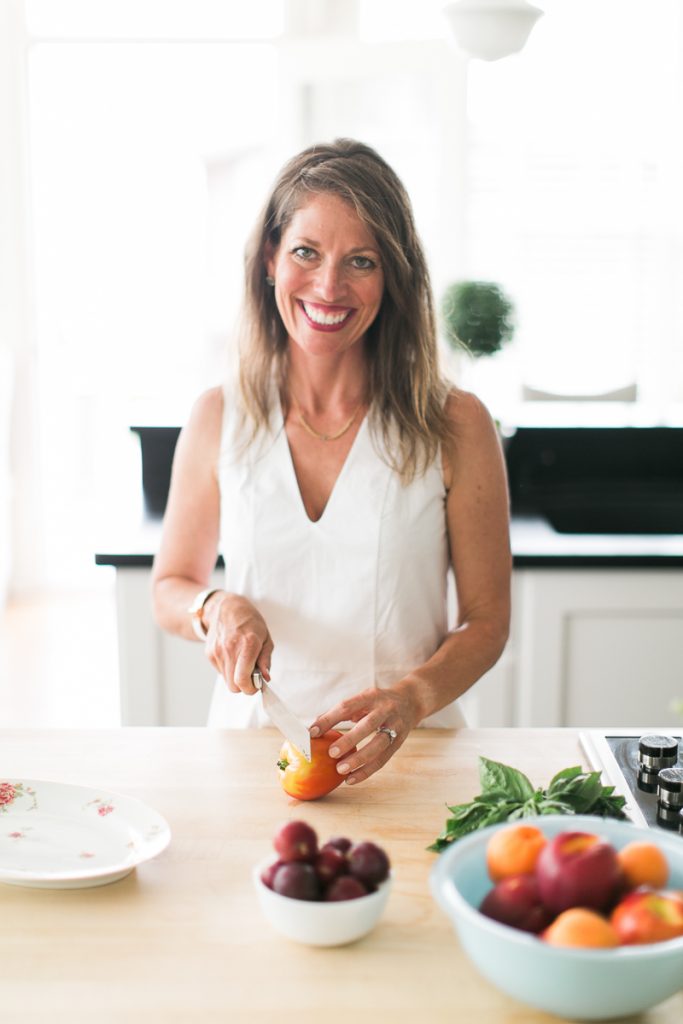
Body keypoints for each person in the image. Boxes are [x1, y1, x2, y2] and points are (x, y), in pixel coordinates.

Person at [151, 138, 511, 786]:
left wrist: (412, 699)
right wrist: (215, 607)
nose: (327, 286)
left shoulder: (454, 423)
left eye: (361, 262)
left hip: (412, 759)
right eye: (305, 253)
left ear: (394, 279)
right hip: (253, 757)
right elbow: (169, 586)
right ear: (269, 258)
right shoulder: (217, 416)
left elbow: (486, 622)